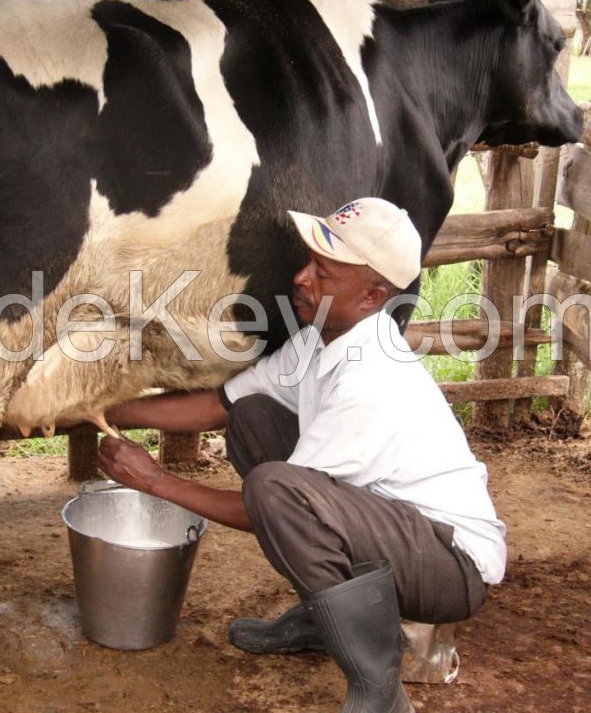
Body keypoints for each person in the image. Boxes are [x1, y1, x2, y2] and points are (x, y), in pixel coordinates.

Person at [98, 197, 507, 713]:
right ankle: (324, 618)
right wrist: (103, 407)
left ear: (372, 295)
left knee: (275, 490)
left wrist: (156, 481)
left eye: (325, 273)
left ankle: (379, 690)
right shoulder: (321, 340)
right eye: (309, 262)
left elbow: (270, 507)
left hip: (451, 566)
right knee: (252, 417)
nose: (301, 277)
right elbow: (216, 406)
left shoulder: (370, 378)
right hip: (394, 530)